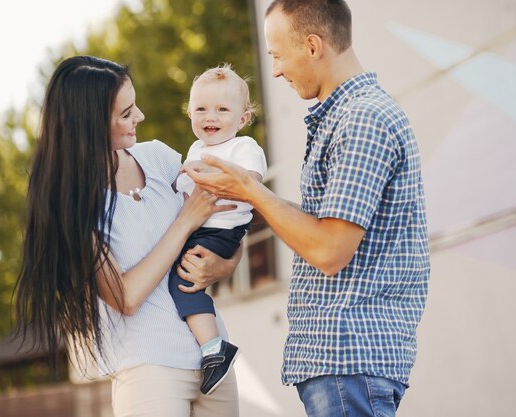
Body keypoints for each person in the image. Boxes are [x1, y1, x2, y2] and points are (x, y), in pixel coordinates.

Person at [184, 1, 430, 416]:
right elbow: (325, 225)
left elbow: (329, 249)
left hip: (349, 359)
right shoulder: (348, 118)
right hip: (342, 364)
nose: (276, 70)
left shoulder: (362, 120)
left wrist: (247, 187)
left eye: (278, 55)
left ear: (313, 45)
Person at [14, 55, 241, 417]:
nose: (140, 117)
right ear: (89, 125)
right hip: (149, 370)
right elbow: (126, 296)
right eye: (125, 113)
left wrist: (224, 265)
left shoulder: (162, 159)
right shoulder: (74, 208)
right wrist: (183, 222)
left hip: (214, 359)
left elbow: (226, 227)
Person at [168, 64, 267, 395]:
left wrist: (205, 175)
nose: (210, 116)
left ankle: (214, 349)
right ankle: (205, 344)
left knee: (183, 280)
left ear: (242, 119)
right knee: (175, 272)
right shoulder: (196, 149)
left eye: (222, 109)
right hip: (198, 226)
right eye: (201, 109)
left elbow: (250, 183)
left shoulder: (244, 147)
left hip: (222, 231)